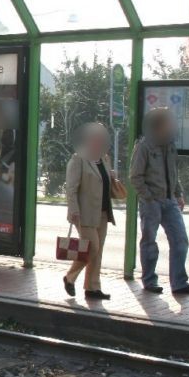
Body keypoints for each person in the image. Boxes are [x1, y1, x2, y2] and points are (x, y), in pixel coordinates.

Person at [129, 107, 189, 295]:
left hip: (170, 201)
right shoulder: (144, 146)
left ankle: (179, 283)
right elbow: (135, 176)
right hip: (151, 202)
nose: (172, 125)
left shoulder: (170, 145)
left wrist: (178, 193)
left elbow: (174, 173)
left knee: (180, 241)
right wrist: (149, 198)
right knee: (149, 242)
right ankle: (149, 281)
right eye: (168, 122)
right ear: (158, 124)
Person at [64, 123, 115, 300]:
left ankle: (93, 288)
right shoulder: (79, 159)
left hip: (102, 211)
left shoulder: (104, 159)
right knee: (91, 247)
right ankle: (70, 277)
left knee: (98, 250)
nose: (99, 141)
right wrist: (73, 210)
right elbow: (71, 188)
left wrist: (112, 177)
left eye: (102, 138)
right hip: (83, 213)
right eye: (96, 137)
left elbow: (104, 182)